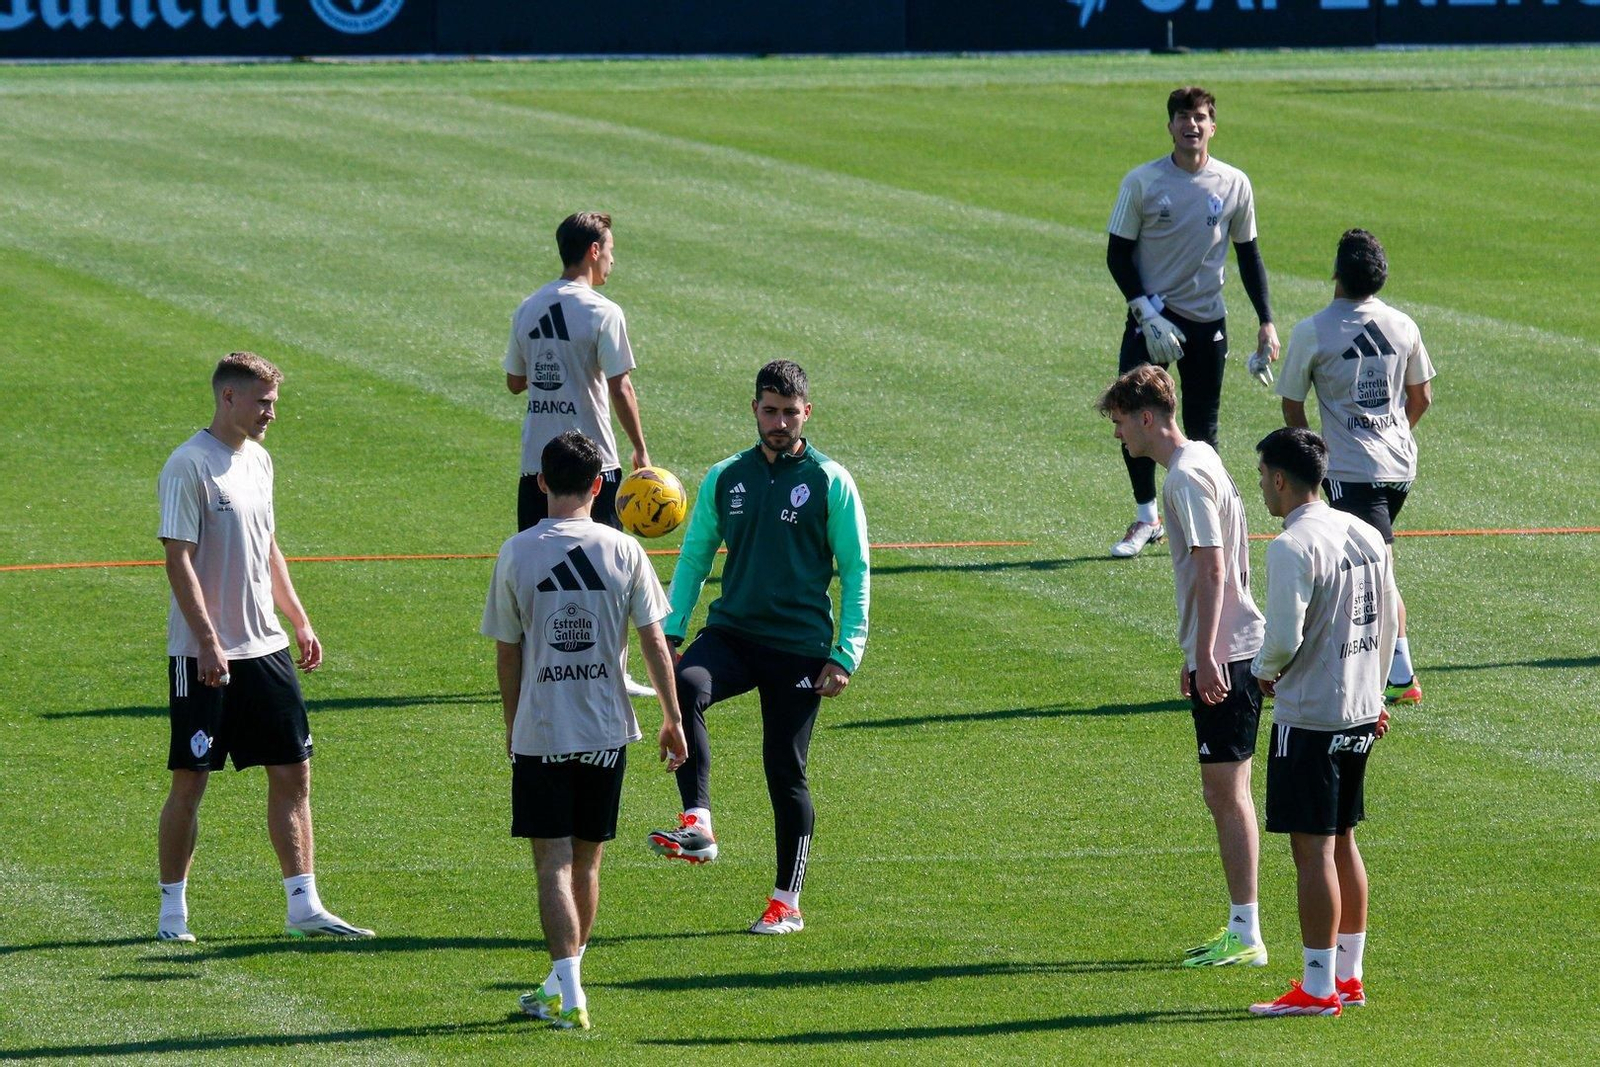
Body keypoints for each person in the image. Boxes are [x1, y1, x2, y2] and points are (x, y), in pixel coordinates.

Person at [645, 360, 869, 936]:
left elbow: (856, 571)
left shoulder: (830, 480)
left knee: (784, 770)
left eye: (790, 412)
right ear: (754, 410)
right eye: (770, 411)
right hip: (734, 635)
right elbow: (695, 556)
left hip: (799, 647)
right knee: (685, 687)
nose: (780, 422)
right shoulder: (727, 477)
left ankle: (785, 902)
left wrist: (845, 653)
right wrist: (672, 627)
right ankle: (697, 824)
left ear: (807, 413)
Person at [155, 352, 371, 943]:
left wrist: (298, 619)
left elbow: (267, 546)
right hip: (204, 654)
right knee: (191, 778)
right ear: (229, 398)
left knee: (293, 772)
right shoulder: (189, 465)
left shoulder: (261, 461)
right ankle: (172, 913)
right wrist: (205, 642)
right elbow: (178, 560)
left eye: (273, 402)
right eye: (263, 402)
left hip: (265, 647)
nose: (271, 413)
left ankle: (303, 904)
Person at [480, 430, 688, 1031]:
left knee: (551, 863)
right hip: (605, 731)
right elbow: (654, 641)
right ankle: (562, 983)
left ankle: (569, 992)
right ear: (602, 485)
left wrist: (512, 725)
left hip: (542, 729)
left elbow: (508, 654)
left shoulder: (517, 552)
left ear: (541, 482)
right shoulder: (624, 551)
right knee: (587, 862)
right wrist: (672, 719)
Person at [1097, 365, 1268, 968]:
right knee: (1229, 791)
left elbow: (1212, 568)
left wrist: (1204, 657)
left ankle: (1246, 932)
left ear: (1147, 417)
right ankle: (1243, 927)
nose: (1119, 436)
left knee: (1225, 792)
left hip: (1229, 653)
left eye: (1120, 423)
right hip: (1233, 647)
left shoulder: (1187, 478)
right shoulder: (1202, 458)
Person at [1249, 427, 1398, 1017]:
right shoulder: (1365, 531)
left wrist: (1263, 670)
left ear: (1281, 479)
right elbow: (1389, 619)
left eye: (1262, 475)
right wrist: (1378, 691)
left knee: (1311, 851)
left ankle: (1316, 989)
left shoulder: (1291, 546)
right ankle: (1349, 976)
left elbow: (1283, 637)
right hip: (1360, 709)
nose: (1261, 484)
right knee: (1343, 841)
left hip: (1311, 715)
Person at [1105, 85, 1279, 559]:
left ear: (1212, 126)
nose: (1192, 125)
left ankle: (1212, 521)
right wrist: (1145, 310)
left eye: (1200, 117)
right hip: (1151, 320)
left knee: (1204, 427)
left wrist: (1266, 321)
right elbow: (1117, 254)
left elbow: (1249, 256)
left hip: (1205, 321)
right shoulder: (1142, 183)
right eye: (1183, 117)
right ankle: (1146, 518)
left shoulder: (1233, 184)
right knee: (1132, 420)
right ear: (1170, 126)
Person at [1276, 228, 1435, 706]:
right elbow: (1421, 396)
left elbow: (1291, 404)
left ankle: (1399, 676)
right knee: (1372, 564)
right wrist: (1394, 433)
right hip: (1400, 466)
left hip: (1352, 472)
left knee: (1377, 571)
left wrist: (1318, 456)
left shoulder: (1313, 330)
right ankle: (1381, 667)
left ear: (1336, 274)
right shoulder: (1403, 325)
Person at [503, 210, 654, 697]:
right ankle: (615, 669)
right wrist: (641, 450)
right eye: (610, 251)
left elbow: (514, 382)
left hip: (538, 467)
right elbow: (621, 387)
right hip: (594, 465)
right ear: (593, 251)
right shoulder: (603, 312)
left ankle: (532, 667)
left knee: (534, 564)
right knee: (609, 567)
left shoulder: (528, 308)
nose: (612, 261)